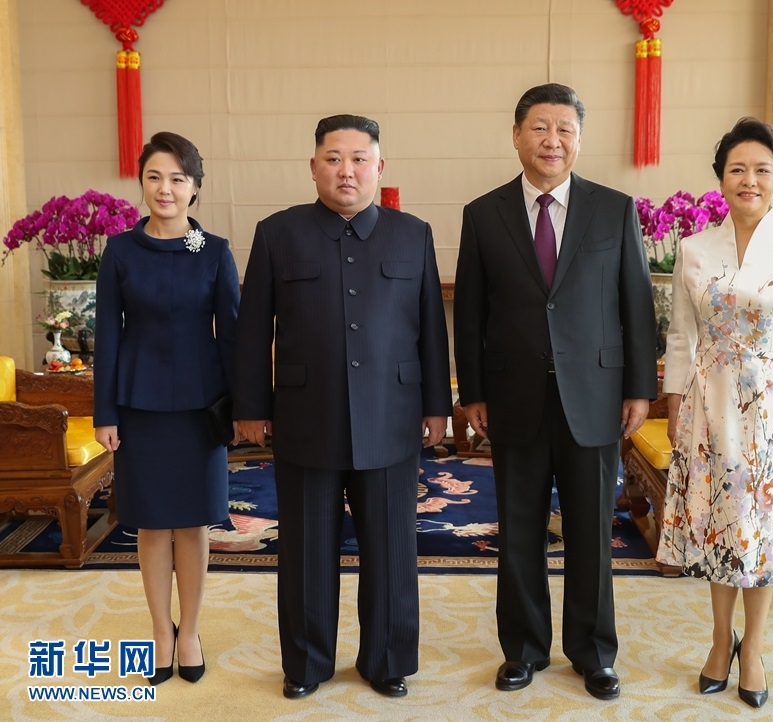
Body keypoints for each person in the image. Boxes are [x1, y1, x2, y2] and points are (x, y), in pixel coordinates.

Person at [233, 114, 451, 701]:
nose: (346, 171)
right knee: (306, 551)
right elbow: (252, 331)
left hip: (392, 414)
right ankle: (306, 664)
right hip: (306, 415)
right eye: (333, 159)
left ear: (380, 167)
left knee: (392, 550)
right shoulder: (277, 233)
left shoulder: (413, 234)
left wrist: (438, 405)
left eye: (359, 159)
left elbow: (431, 328)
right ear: (314, 167)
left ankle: (388, 660)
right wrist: (250, 405)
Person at [453, 83, 657, 701]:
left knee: (592, 533)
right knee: (519, 530)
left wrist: (639, 388)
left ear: (579, 139)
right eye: (540, 128)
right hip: (512, 396)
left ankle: (594, 653)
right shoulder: (482, 214)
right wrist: (473, 390)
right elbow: (470, 312)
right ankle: (523, 649)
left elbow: (636, 305)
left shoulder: (613, 209)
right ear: (517, 136)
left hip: (594, 395)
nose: (552, 140)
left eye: (565, 129)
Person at [656, 118, 773, 708]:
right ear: (721, 180)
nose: (750, 179)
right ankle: (721, 640)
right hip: (710, 405)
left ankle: (754, 647)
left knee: (760, 527)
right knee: (722, 521)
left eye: (762, 169)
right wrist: (674, 402)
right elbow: (681, 336)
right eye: (737, 169)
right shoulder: (694, 249)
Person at [93, 131, 240, 685]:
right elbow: (107, 335)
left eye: (178, 178)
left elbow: (233, 337)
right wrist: (105, 412)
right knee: (152, 523)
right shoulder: (120, 250)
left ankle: (191, 630)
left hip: (201, 408)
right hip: (140, 405)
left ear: (195, 187)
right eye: (155, 176)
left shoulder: (215, 251)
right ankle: (161, 629)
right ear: (141, 182)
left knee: (194, 521)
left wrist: (242, 409)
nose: (165, 188)